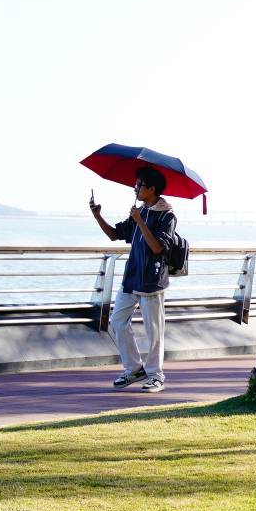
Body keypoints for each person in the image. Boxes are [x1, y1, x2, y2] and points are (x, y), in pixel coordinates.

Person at [89, 166, 178, 392]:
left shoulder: (166, 215)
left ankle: (156, 376)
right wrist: (97, 215)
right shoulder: (141, 211)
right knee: (117, 322)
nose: (135, 188)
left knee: (154, 331)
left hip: (152, 281)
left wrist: (139, 221)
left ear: (151, 189)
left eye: (139, 185)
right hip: (131, 279)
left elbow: (158, 247)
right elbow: (114, 234)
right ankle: (134, 369)